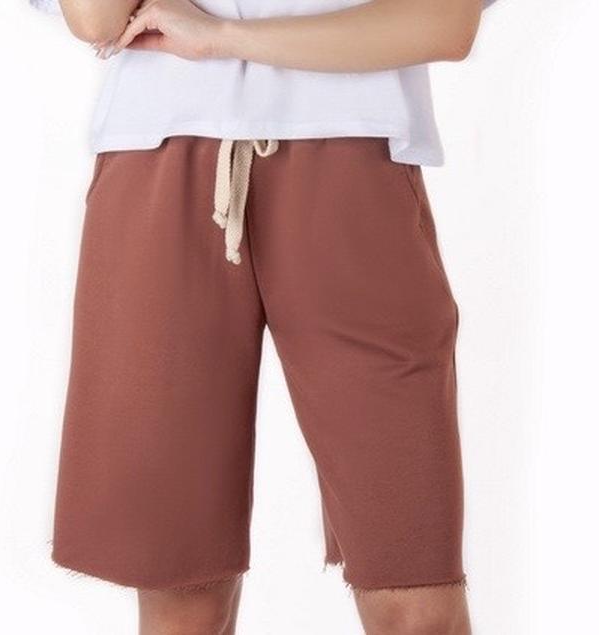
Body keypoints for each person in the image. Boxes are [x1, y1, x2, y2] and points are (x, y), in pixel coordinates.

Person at [30, 0, 499, 632]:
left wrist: (224, 37)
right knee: (179, 594)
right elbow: (97, 19)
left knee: (413, 581)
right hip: (158, 162)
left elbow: (444, 24)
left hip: (354, 163)